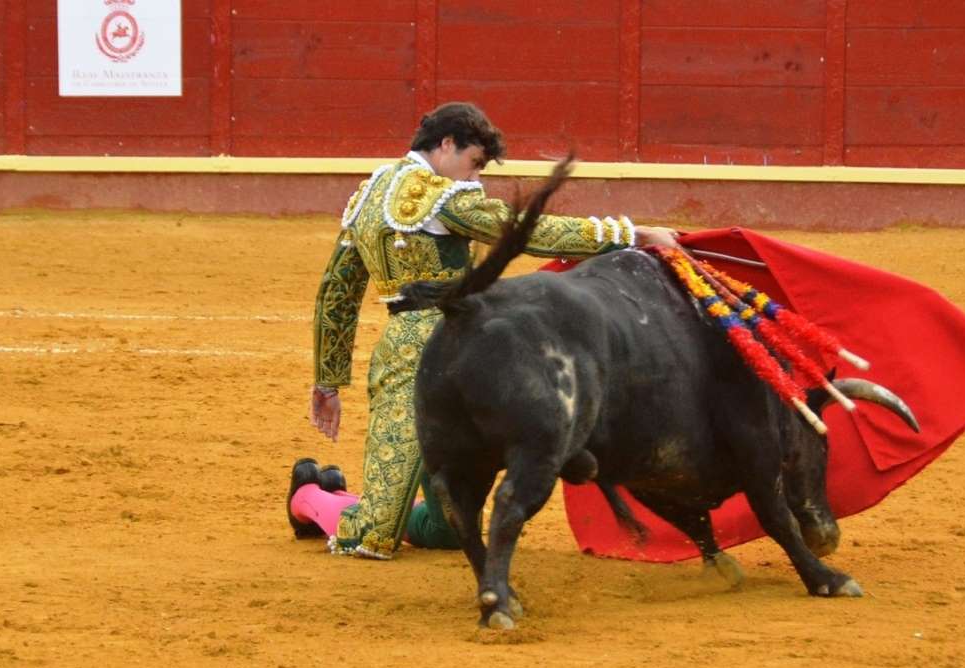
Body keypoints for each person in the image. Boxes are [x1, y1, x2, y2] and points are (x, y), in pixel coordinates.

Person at [286, 102, 679, 559]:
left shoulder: (369, 193)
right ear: (446, 144)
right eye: (473, 164)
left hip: (465, 351)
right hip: (414, 358)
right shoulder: (438, 196)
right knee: (370, 536)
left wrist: (328, 381)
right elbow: (525, 231)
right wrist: (629, 234)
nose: (474, 180)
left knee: (453, 526)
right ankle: (310, 498)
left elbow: (338, 290)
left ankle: (357, 497)